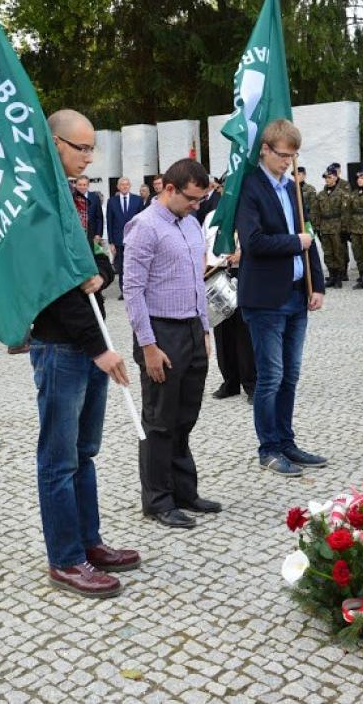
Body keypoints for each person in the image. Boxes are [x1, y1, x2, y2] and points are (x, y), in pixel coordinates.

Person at [29, 109, 140, 599]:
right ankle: (66, 559)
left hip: (91, 336)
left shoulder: (82, 198)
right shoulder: (38, 204)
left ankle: (88, 541)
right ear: (55, 143)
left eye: (93, 147)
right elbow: (53, 286)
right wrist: (100, 349)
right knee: (58, 459)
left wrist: (102, 274)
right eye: (81, 147)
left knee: (84, 453)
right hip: (61, 344)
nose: (90, 157)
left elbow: (98, 256)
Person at [123, 158, 221, 529]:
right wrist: (148, 345)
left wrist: (205, 330)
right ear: (169, 189)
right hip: (161, 333)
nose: (196, 205)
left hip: (192, 330)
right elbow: (133, 290)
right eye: (191, 198)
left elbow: (198, 280)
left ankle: (184, 491)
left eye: (200, 200)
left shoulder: (191, 223)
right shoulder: (144, 226)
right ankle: (158, 500)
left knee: (185, 417)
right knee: (160, 421)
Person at [236, 119, 326, 477]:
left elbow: (309, 237)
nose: (288, 162)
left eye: (292, 156)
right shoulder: (249, 187)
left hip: (297, 294)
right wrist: (294, 243)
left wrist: (317, 284)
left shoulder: (293, 188)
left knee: (291, 375)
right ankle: (269, 448)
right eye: (283, 155)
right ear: (265, 149)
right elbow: (253, 241)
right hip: (265, 298)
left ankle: (287, 441)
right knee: (270, 376)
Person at [203, 210, 256, 403]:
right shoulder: (211, 216)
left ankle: (252, 384)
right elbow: (204, 246)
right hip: (216, 273)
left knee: (245, 332)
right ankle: (230, 381)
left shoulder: (249, 211)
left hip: (242, 272)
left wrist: (243, 253)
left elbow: (258, 241)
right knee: (222, 332)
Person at [106, 177, 143, 299]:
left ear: (130, 186)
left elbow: (142, 221)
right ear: (118, 187)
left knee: (135, 265)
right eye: (122, 184)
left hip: (135, 239)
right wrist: (111, 242)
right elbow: (110, 222)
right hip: (118, 240)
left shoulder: (137, 200)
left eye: (127, 184)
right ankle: (124, 291)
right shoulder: (112, 201)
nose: (124, 186)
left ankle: (136, 289)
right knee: (121, 266)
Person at [311, 168, 348, 288]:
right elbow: (315, 212)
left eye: (330, 177)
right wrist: (316, 227)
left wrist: (344, 229)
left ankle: (339, 278)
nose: (327, 180)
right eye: (326, 178)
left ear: (336, 178)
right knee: (327, 253)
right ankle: (332, 276)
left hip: (337, 227)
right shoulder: (320, 195)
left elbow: (345, 212)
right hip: (324, 227)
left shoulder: (342, 194)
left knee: (338, 253)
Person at [75, 174, 103, 242]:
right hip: (75, 233)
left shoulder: (95, 198)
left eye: (84, 185)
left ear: (88, 186)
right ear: (76, 185)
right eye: (79, 185)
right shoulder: (71, 197)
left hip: (91, 234)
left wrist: (98, 234)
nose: (82, 187)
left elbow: (99, 218)